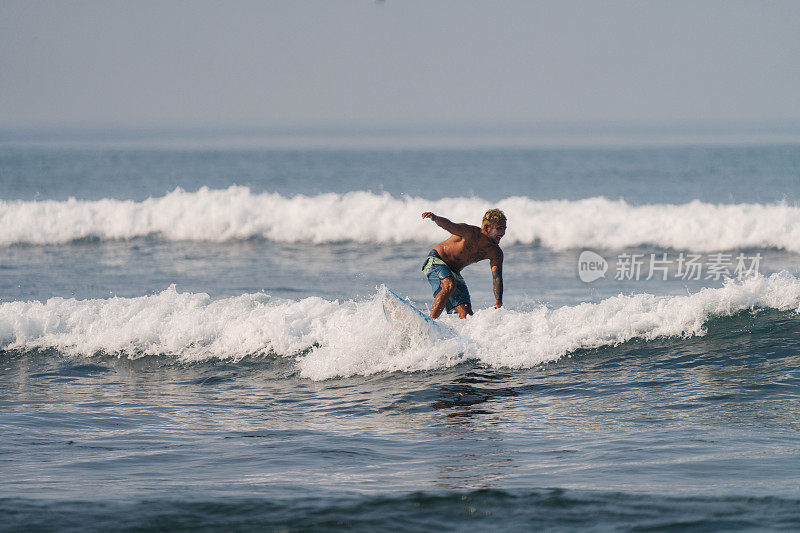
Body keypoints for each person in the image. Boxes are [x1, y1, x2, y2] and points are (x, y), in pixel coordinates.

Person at [420, 208, 506, 319]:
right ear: (487, 227)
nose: (503, 233)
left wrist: (498, 301)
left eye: (504, 229)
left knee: (467, 313)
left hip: (453, 272)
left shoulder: (495, 252)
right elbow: (450, 226)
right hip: (436, 261)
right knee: (449, 285)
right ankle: (430, 322)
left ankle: (457, 336)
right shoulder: (470, 232)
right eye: (499, 228)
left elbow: (497, 277)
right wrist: (436, 218)